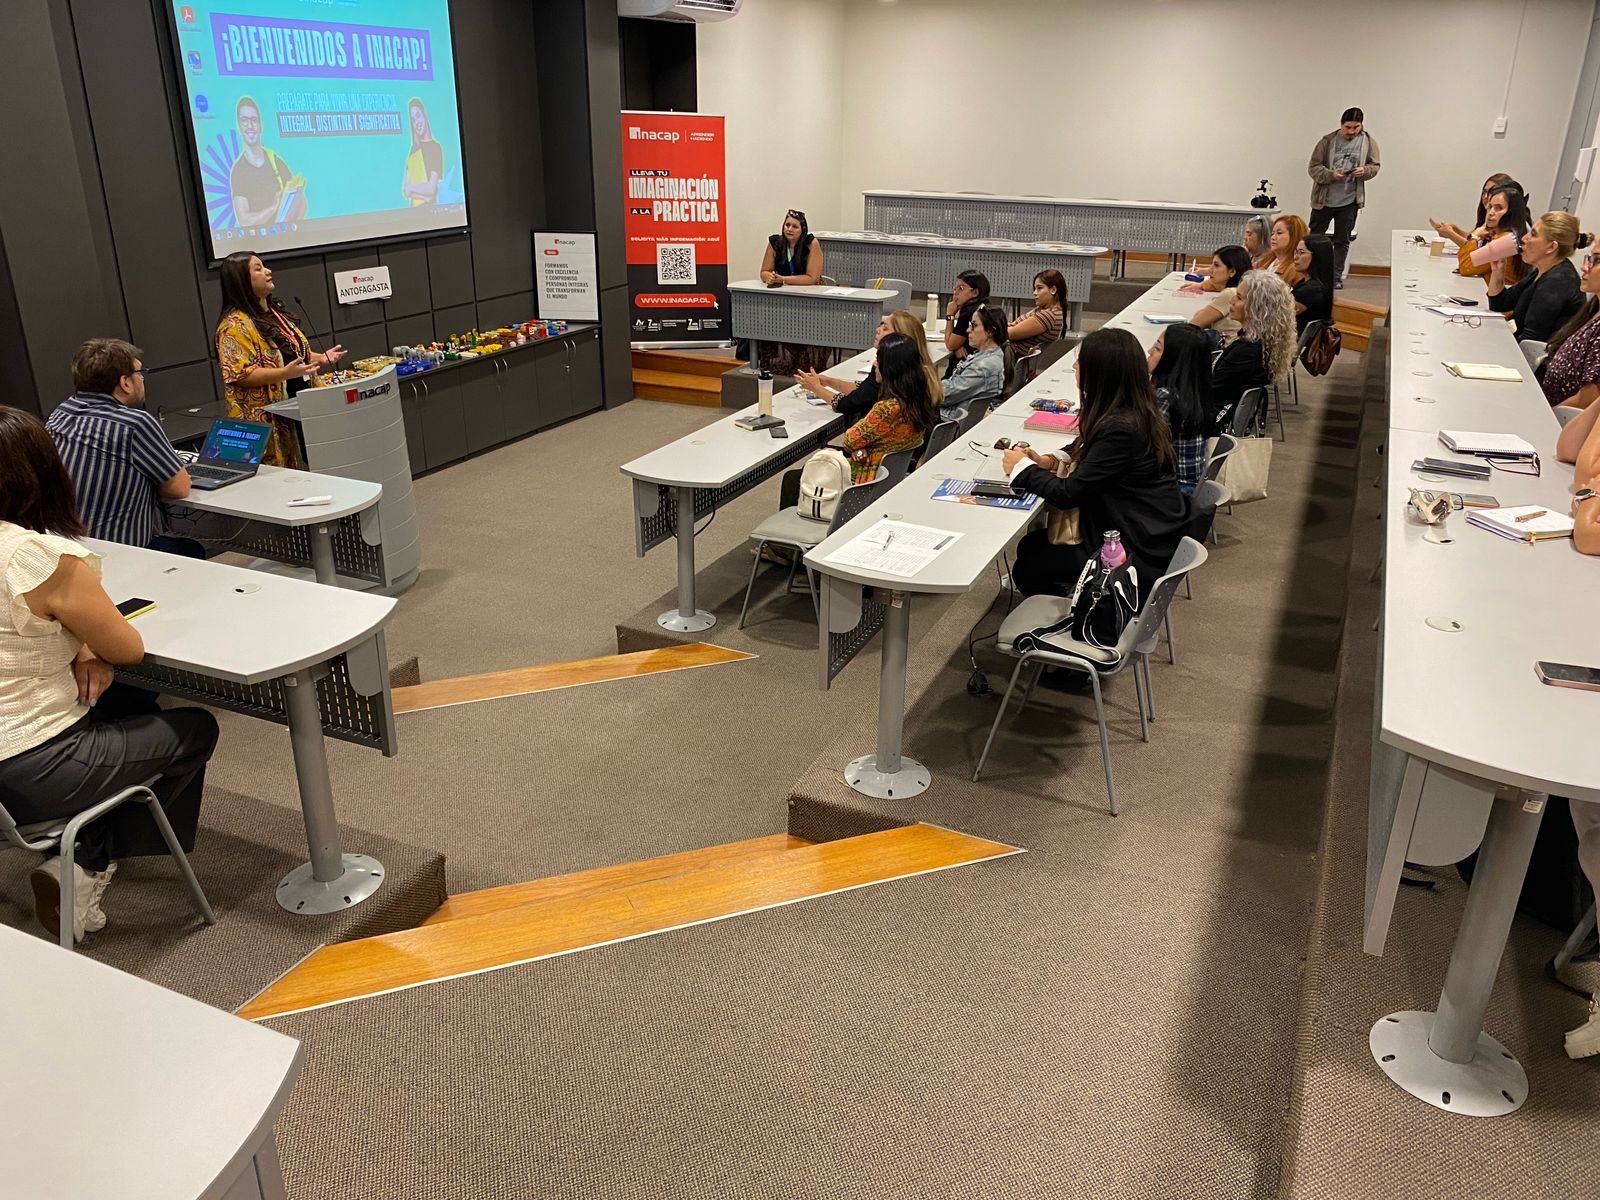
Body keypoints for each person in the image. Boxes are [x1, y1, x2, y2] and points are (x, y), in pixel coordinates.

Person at [0, 406, 219, 943]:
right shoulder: (39, 558)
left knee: (114, 705)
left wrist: (77, 642)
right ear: (42, 474)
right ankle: (86, 861)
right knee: (195, 728)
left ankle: (82, 846)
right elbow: (127, 648)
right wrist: (90, 644)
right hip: (30, 768)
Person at [1001, 327, 1188, 597]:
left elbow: (1068, 494)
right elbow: (1088, 449)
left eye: (1081, 362)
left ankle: (1080, 612)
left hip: (1132, 545)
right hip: (1139, 525)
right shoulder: (1132, 410)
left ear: (1100, 373)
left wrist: (1022, 468)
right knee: (1030, 545)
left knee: (1028, 568)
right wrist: (1048, 461)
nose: (1075, 367)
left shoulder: (1121, 429)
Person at [46, 339, 200, 557]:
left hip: (64, 550)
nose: (142, 378)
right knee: (192, 549)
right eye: (140, 372)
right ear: (125, 382)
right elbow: (179, 488)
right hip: (117, 554)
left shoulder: (60, 415)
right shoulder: (134, 424)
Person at [215, 251, 345, 465]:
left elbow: (288, 353)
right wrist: (284, 373)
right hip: (266, 418)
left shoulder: (276, 313)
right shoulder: (234, 326)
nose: (268, 271)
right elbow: (239, 374)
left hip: (302, 405)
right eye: (258, 269)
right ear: (241, 280)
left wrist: (318, 357)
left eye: (264, 266)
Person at [795, 310, 936, 422]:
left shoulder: (888, 370)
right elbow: (864, 390)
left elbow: (847, 405)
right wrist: (827, 381)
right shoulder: (918, 368)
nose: (878, 329)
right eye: (881, 325)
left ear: (899, 339)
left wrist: (816, 388)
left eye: (885, 328)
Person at [838, 334, 941, 483]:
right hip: (892, 479)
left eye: (878, 360)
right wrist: (863, 445)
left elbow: (849, 441)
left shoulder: (888, 409)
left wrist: (861, 445)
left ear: (890, 368)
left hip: (866, 480)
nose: (874, 364)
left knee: (806, 472)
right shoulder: (920, 398)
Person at [1486, 212, 1590, 344]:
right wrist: (1497, 272)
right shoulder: (1543, 270)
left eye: (1533, 234)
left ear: (1551, 247)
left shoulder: (1558, 281)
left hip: (1536, 355)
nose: (1524, 238)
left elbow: (1530, 340)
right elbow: (1500, 304)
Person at [1211, 270, 1295, 431]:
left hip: (1213, 420)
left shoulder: (1246, 352)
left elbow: (1211, 391)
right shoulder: (1264, 343)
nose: (1232, 301)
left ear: (1257, 307)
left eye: (1239, 298)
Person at [1307, 107, 1380, 285]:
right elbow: (1313, 168)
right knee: (1314, 239)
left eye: (1356, 127)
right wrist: (1331, 175)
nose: (1351, 131)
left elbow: (1375, 166)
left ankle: (1335, 277)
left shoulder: (1368, 141)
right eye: (1348, 127)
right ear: (1341, 124)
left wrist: (1365, 171)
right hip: (1323, 201)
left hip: (1350, 201)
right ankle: (1312, 274)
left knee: (1342, 241)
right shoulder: (1327, 141)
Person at [1148, 324, 1213, 494]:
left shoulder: (1165, 397)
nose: (1149, 351)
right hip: (1193, 486)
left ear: (1172, 360)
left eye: (1157, 348)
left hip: (1172, 491)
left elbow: (1144, 448)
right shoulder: (1195, 393)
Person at [230, 96, 304, 229]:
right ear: (238, 126)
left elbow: (302, 202)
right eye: (244, 120)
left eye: (254, 120)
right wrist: (273, 208)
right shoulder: (238, 171)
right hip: (257, 241)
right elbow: (244, 221)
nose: (250, 126)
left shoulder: (275, 161)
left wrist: (291, 228)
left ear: (260, 125)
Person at [1540, 246, 1600, 408]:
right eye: (1590, 258)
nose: (1585, 267)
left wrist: (1545, 415)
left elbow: (1588, 400)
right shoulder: (1593, 308)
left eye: (1597, 260)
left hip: (1557, 418)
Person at [939, 304, 1007, 422]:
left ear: (990, 331)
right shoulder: (990, 355)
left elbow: (944, 396)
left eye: (974, 326)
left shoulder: (983, 367)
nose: (968, 330)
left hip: (947, 420)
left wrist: (926, 386)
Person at [1453, 182, 1529, 282]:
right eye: (1490, 207)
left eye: (1498, 208)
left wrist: (1474, 237)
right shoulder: (1502, 235)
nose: (1490, 213)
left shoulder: (1507, 240)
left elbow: (1465, 268)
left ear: (1512, 212)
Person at [1429, 172, 1514, 249]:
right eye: (1484, 192)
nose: (1485, 197)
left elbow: (1477, 251)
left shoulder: (1506, 228)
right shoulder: (1488, 217)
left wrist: (1451, 234)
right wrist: (1456, 230)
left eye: (1490, 192)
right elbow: (1474, 239)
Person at [1187, 246, 1253, 339]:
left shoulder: (1230, 294)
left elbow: (1194, 324)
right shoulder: (1245, 291)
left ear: (1232, 271)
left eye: (1216, 265)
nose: (1210, 270)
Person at [1008, 270, 1068, 356]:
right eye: (1035, 289)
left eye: (1039, 288)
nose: (1035, 293)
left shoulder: (1048, 315)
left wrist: (996, 328)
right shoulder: (1043, 310)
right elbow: (1013, 325)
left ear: (1053, 290)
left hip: (1011, 355)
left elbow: (1011, 334)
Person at [759, 209, 823, 286]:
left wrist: (783, 279)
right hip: (783, 289)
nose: (789, 229)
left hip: (808, 290)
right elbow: (764, 272)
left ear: (803, 230)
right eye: (787, 225)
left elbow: (812, 278)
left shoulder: (811, 243)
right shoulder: (775, 243)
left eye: (795, 227)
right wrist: (770, 277)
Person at [943, 269, 992, 368]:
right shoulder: (986, 307)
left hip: (968, 369)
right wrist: (958, 346)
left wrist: (950, 315)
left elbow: (950, 344)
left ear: (975, 292)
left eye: (961, 288)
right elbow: (956, 342)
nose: (955, 293)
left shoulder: (969, 313)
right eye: (955, 288)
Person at [400, 97, 444, 207]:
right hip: (414, 211)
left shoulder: (435, 148)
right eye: (413, 120)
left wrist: (412, 188)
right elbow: (405, 190)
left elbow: (431, 188)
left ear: (424, 114)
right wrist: (424, 197)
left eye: (418, 116)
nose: (417, 122)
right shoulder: (413, 150)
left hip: (431, 211)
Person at [1290, 233, 1336, 336]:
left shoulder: (1312, 289)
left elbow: (1280, 314)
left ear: (1317, 256)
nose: (1295, 257)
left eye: (1301, 252)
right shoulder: (1305, 283)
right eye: (1295, 252)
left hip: (1293, 341)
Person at [1258, 214, 1308, 282]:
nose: (1273, 237)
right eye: (1272, 233)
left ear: (1294, 236)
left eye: (1279, 233)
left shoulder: (1295, 269)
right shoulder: (1266, 260)